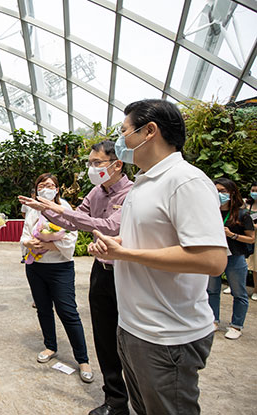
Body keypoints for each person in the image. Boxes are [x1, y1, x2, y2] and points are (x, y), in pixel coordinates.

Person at [88, 99, 228, 415]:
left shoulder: (185, 181)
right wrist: (117, 245)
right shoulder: (145, 182)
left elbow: (211, 259)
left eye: (125, 131)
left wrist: (128, 253)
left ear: (149, 131)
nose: (121, 140)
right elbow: (151, 238)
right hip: (136, 327)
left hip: (168, 337)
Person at [19, 140, 132, 415]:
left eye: (97, 163)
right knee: (104, 336)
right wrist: (46, 209)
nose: (92, 168)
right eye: (90, 163)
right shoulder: (96, 192)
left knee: (129, 339)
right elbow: (73, 221)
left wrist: (58, 210)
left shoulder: (132, 193)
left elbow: (108, 226)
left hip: (128, 273)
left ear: (117, 164)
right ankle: (115, 401)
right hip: (101, 271)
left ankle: (137, 397)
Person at [20, 173, 94, 384]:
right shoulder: (33, 209)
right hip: (35, 268)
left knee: (68, 311)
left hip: (60, 268)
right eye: (42, 185)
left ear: (58, 189)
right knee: (43, 309)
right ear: (36, 189)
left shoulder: (65, 208)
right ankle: (50, 345)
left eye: (51, 185)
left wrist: (50, 245)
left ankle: (83, 359)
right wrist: (29, 243)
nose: (47, 188)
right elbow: (26, 234)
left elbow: (71, 236)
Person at [207, 178, 254, 339]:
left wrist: (232, 235)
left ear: (232, 193)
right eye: (216, 191)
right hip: (215, 255)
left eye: (223, 191)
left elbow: (251, 238)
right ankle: (213, 320)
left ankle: (236, 325)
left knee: (238, 292)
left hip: (235, 257)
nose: (219, 194)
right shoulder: (211, 211)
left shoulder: (242, 214)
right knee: (212, 290)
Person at [243, 183, 257, 301]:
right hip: (244, 236)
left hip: (255, 237)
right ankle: (237, 286)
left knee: (255, 266)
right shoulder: (246, 204)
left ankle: (255, 290)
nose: (254, 193)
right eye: (252, 190)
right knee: (243, 263)